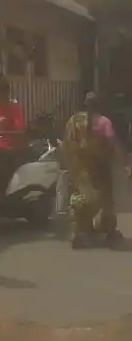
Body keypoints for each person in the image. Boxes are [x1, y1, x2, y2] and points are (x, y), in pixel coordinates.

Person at [63, 92, 129, 250]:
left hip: (80, 165)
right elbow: (112, 141)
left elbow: (67, 142)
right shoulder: (103, 122)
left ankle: (80, 233)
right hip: (100, 165)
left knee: (81, 197)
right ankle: (109, 229)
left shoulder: (75, 120)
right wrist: (125, 162)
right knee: (106, 197)